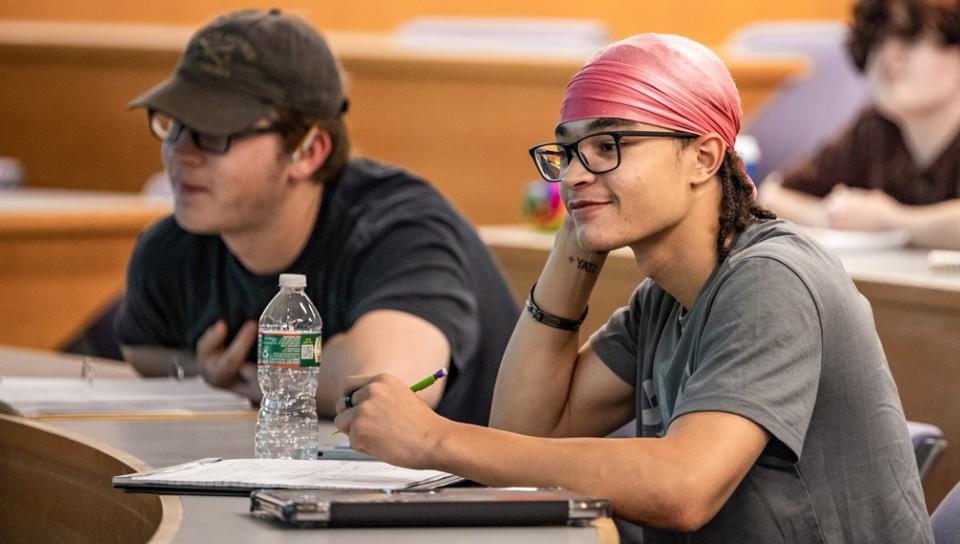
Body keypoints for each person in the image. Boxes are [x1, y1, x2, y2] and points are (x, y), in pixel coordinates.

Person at [332, 34, 933, 542]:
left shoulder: (771, 280)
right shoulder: (664, 299)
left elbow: (682, 487)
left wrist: (434, 438)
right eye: (566, 153)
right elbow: (527, 435)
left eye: (607, 146)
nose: (573, 173)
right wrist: (578, 241)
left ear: (702, 157)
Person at [116, 9, 519, 424]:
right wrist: (203, 372)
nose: (181, 152)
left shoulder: (400, 226)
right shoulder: (176, 244)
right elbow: (141, 348)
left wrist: (255, 380)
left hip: (478, 486)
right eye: (175, 124)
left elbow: (393, 385)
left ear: (307, 152)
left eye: (215, 133)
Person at [759, 0, 960, 249]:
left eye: (912, 38)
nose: (889, 55)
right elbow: (773, 194)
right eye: (878, 39)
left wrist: (891, 221)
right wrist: (832, 216)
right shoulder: (874, 127)